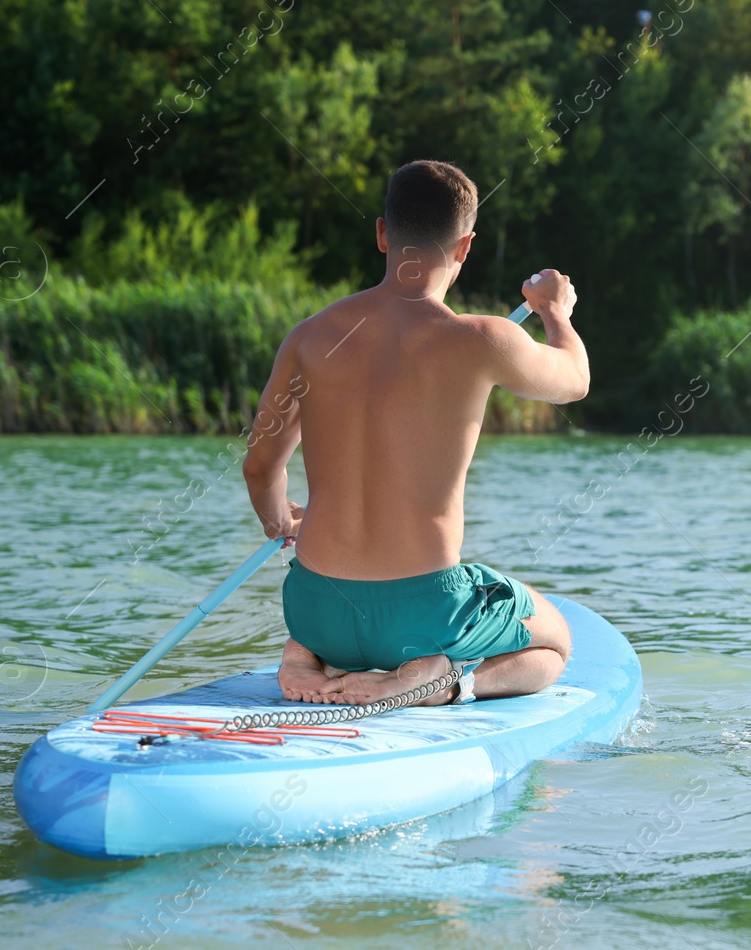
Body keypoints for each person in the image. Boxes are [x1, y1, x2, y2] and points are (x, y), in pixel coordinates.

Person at [241, 160, 589, 706]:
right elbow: (575, 381)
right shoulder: (482, 340)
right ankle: (444, 685)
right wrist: (555, 311)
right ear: (465, 247)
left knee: (334, 607)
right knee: (554, 645)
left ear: (381, 232)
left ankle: (305, 653)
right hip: (421, 614)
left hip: (314, 606)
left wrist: (279, 521)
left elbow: (260, 468)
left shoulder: (308, 339)